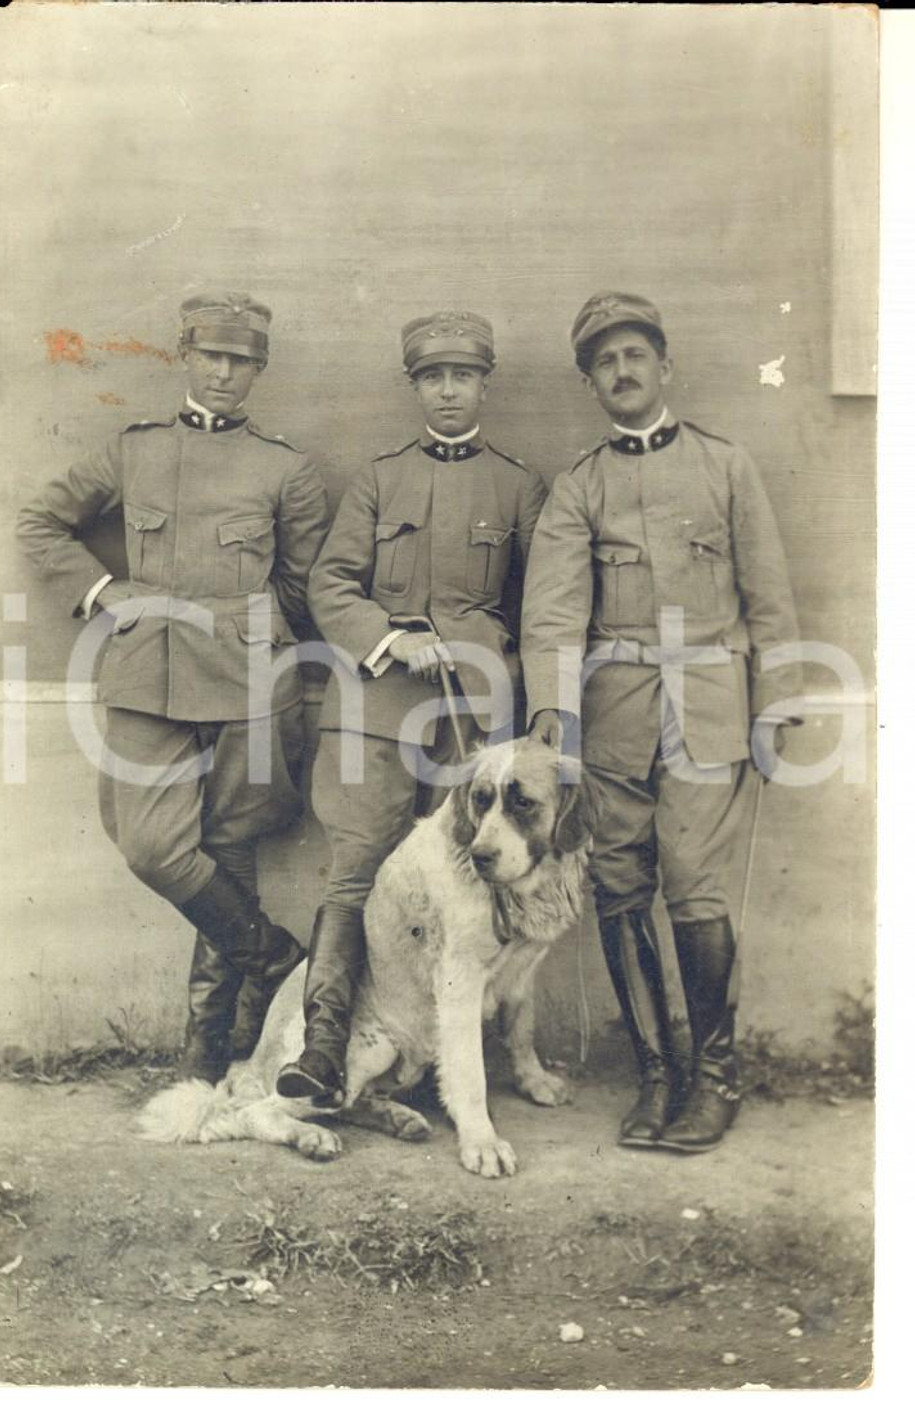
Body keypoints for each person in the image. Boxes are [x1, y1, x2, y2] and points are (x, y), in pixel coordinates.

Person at [17, 293, 330, 1085]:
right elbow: (40, 523)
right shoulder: (134, 451)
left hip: (247, 680)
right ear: (185, 355)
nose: (224, 373)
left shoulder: (285, 467)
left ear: (259, 368)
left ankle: (207, 1049)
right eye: (211, 355)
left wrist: (259, 643)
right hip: (146, 673)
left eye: (242, 360)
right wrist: (99, 593)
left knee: (229, 850)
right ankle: (274, 954)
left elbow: (301, 586)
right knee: (153, 847)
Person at [521, 292, 802, 1153]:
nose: (623, 370)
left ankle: (713, 1080)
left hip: (710, 706)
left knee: (695, 882)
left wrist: (778, 697)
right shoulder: (581, 484)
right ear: (590, 382)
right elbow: (554, 613)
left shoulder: (725, 466)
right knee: (618, 883)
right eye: (605, 361)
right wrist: (551, 718)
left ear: (665, 366)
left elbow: (769, 593)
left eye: (636, 354)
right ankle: (656, 1076)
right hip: (615, 716)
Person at [276, 310, 549, 1103]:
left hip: (474, 723)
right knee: (356, 874)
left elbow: (545, 606)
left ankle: (471, 1061)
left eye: (463, 375)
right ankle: (325, 1048)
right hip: (373, 710)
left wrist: (506, 676)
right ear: (416, 386)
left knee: (472, 881)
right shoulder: (378, 478)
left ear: (485, 384)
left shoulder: (517, 484)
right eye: (433, 376)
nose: (449, 390)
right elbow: (330, 584)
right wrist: (388, 641)